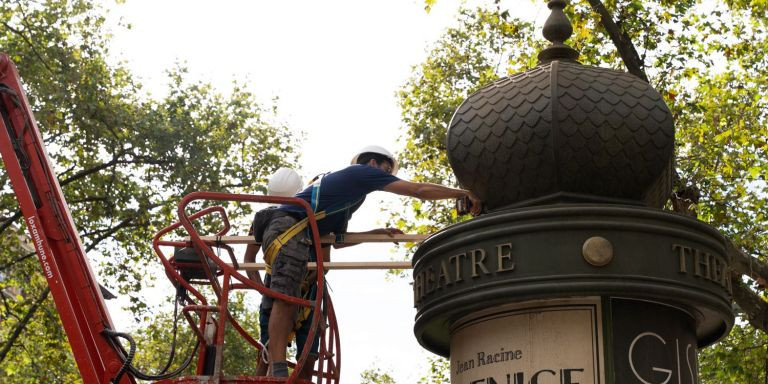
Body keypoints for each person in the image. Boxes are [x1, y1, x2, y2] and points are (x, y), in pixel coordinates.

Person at [255, 145, 482, 378]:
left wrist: (376, 233)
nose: (387, 178)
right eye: (386, 171)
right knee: (286, 300)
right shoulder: (360, 173)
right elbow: (419, 190)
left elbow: (336, 241)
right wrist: (463, 193)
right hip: (288, 230)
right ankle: (278, 370)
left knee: (288, 299)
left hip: (293, 233)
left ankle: (277, 368)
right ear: (373, 163)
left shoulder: (349, 199)